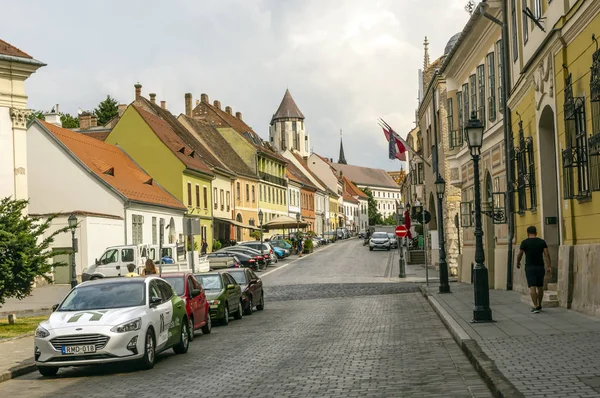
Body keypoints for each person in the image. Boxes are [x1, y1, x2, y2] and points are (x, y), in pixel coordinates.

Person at [516, 226, 551, 313]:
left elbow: (520, 254)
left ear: (527, 233)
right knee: (540, 286)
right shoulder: (542, 242)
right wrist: (549, 266)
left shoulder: (525, 242)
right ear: (536, 232)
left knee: (532, 287)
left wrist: (518, 262)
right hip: (540, 266)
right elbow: (547, 254)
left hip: (529, 267)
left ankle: (535, 306)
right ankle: (539, 304)